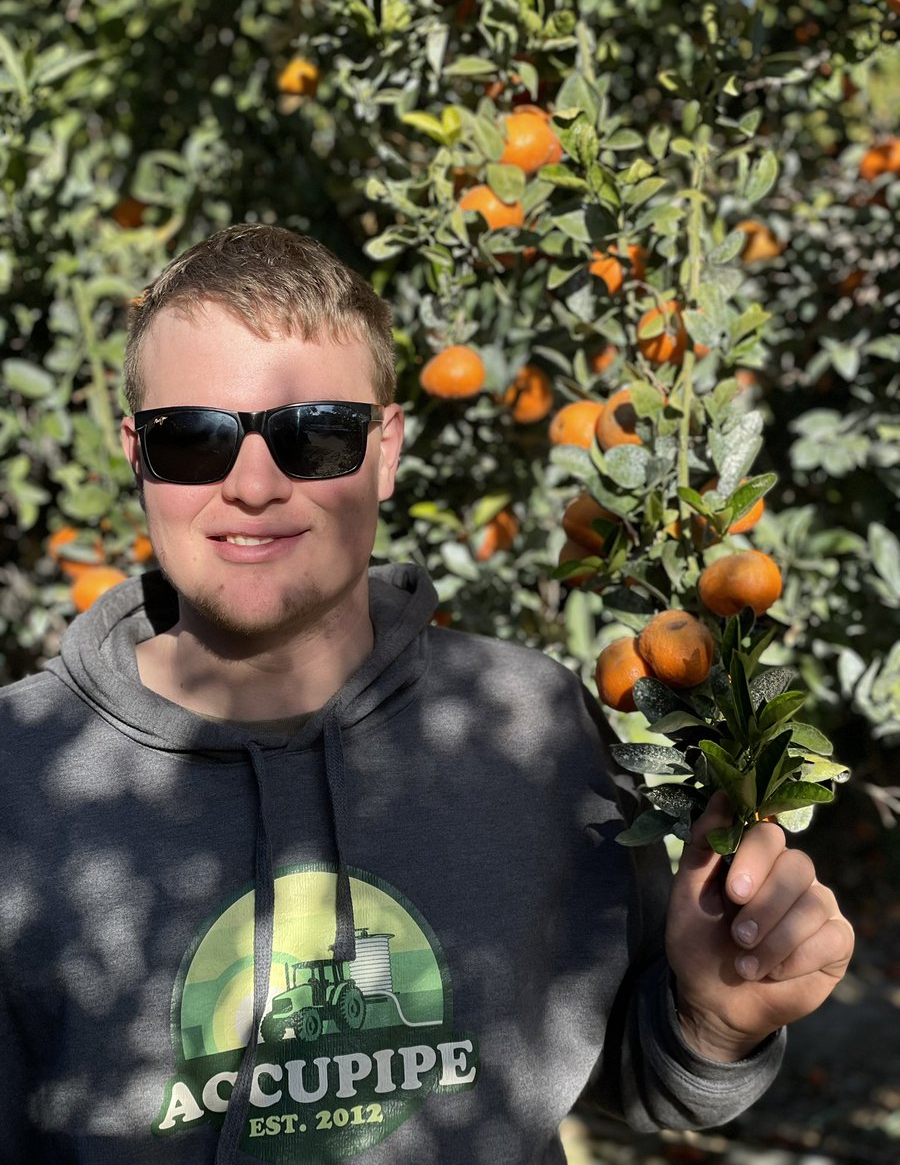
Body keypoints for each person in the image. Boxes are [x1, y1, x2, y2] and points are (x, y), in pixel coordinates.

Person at [0, 224, 854, 1165]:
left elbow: (620, 1072)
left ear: (387, 448)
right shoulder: (22, 779)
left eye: (314, 435)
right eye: (193, 438)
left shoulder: (530, 731)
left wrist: (712, 1021)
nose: (251, 486)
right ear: (139, 456)